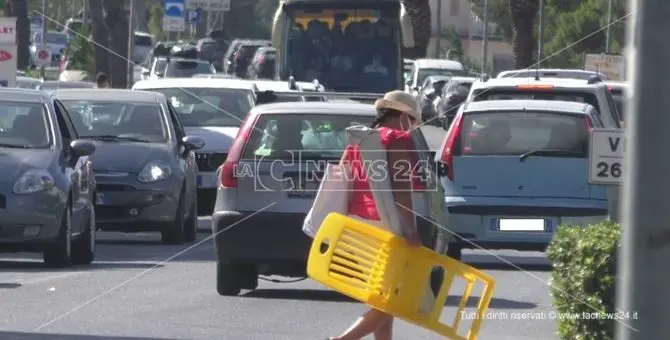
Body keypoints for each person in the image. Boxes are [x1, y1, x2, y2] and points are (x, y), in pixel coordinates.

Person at [328, 90, 423, 340]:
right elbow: (402, 190)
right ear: (403, 116)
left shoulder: (359, 140)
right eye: (412, 121)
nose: (412, 127)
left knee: (384, 296)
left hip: (357, 224)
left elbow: (342, 177)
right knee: (395, 300)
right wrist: (411, 231)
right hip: (384, 223)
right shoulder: (398, 138)